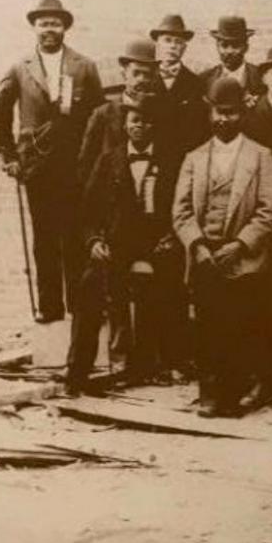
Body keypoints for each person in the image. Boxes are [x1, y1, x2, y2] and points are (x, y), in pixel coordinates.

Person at [0, 0, 104, 322]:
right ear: (35, 27)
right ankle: (49, 306)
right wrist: (9, 157)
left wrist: (94, 160)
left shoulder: (84, 66)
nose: (49, 29)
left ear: (64, 27)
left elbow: (99, 115)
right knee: (45, 238)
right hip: (37, 168)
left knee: (75, 237)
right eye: (43, 23)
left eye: (55, 23)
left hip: (76, 167)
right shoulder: (19, 67)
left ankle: (78, 305)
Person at [172, 77, 272, 418]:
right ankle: (209, 393)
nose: (224, 120)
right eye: (219, 113)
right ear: (210, 112)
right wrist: (198, 245)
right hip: (205, 257)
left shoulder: (261, 156)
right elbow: (181, 210)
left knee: (238, 326)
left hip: (242, 258)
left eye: (231, 113)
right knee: (206, 326)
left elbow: (269, 210)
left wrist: (239, 244)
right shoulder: (194, 157)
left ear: (242, 114)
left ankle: (233, 396)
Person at [68, 98, 184, 393]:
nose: (140, 127)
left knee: (171, 287)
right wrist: (94, 240)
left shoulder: (171, 161)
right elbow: (87, 211)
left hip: (159, 245)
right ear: (125, 125)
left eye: (146, 122)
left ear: (154, 126)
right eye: (134, 121)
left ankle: (166, 363)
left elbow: (183, 207)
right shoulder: (109, 159)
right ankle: (77, 370)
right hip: (117, 245)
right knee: (89, 287)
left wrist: (172, 236)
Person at [78, 37, 160, 187]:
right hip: (110, 199)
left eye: (147, 75)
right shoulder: (103, 114)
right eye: (136, 73)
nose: (142, 79)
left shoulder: (161, 113)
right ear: (124, 74)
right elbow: (86, 162)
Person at [150, 13, 208, 156]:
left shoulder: (196, 83)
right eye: (167, 40)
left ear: (184, 48)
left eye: (178, 42)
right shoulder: (146, 79)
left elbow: (199, 127)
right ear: (157, 45)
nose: (172, 46)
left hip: (182, 157)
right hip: (150, 156)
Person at [201, 15, 263, 105]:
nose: (229, 51)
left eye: (235, 46)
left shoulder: (260, 77)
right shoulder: (205, 80)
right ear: (217, 47)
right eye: (224, 46)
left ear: (246, 47)